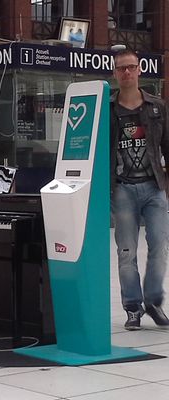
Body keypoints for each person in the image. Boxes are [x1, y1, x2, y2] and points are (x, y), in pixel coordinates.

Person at [110, 48, 169, 330]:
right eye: (121, 68)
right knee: (126, 251)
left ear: (139, 69)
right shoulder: (107, 110)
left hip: (154, 187)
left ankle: (154, 301)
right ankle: (132, 308)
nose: (126, 73)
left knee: (159, 246)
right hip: (123, 189)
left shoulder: (158, 107)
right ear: (115, 73)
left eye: (131, 67)